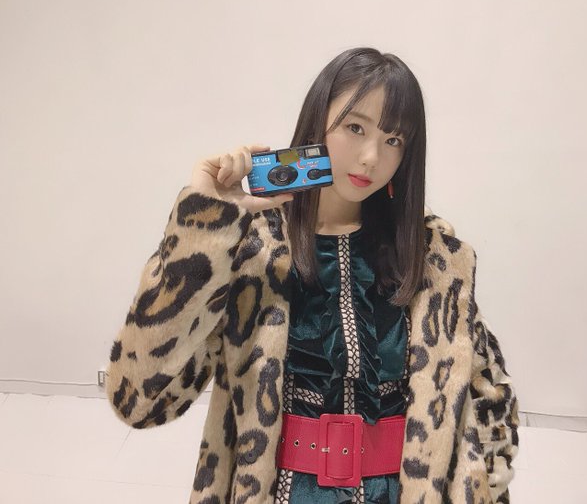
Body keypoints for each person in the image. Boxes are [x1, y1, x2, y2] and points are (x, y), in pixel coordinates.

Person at [105, 47, 520, 504]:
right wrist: (205, 227)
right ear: (315, 122)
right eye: (355, 127)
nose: (370, 157)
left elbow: (489, 403)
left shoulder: (434, 258)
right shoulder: (250, 250)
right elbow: (138, 401)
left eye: (393, 140)